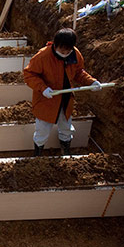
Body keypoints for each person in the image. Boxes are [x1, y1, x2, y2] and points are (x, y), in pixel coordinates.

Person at [23, 28, 102, 156]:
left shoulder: (75, 54)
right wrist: (43, 88)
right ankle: (38, 153)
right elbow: (29, 75)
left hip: (65, 100)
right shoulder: (43, 56)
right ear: (55, 44)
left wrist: (90, 82)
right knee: (42, 130)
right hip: (46, 100)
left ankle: (65, 151)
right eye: (62, 50)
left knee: (66, 128)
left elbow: (78, 73)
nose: (65, 52)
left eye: (68, 50)